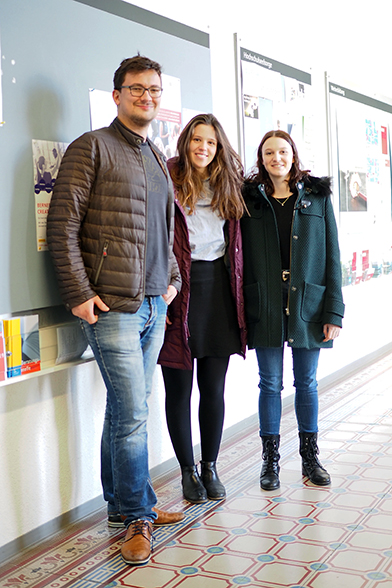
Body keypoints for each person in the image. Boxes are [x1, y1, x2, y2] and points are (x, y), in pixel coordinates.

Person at [47, 55, 184, 567]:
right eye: (136, 89)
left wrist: (170, 282)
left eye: (154, 90)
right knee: (134, 413)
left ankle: (121, 505)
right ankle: (136, 516)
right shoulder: (93, 147)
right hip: (113, 306)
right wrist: (80, 294)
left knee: (126, 410)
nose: (146, 97)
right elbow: (62, 225)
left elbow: (166, 231)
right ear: (117, 95)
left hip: (152, 304)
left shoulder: (153, 153)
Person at [241, 130, 345, 491]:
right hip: (266, 299)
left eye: (282, 151)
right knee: (269, 383)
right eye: (269, 152)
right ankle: (270, 462)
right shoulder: (249, 200)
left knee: (307, 383)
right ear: (261, 158)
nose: (276, 158)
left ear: (293, 155)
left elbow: (332, 254)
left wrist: (335, 311)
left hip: (309, 301)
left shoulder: (316, 197)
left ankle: (310, 458)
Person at [158, 114, 247, 504]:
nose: (203, 148)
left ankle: (210, 466)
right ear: (185, 141)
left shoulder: (229, 181)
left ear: (219, 146)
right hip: (178, 287)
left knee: (213, 387)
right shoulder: (167, 176)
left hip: (219, 289)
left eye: (210, 142)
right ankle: (186, 471)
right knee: (178, 388)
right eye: (196, 140)